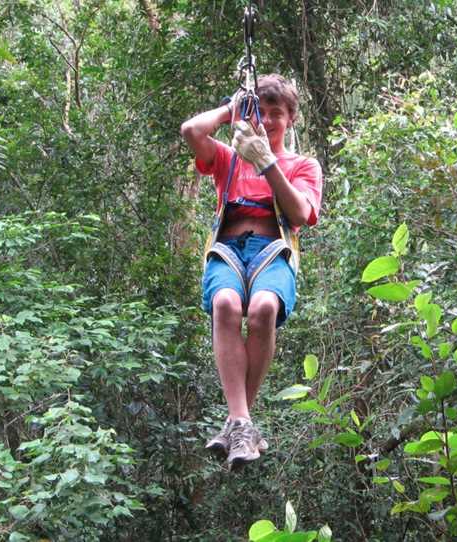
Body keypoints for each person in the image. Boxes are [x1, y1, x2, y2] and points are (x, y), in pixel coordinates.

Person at [180, 74, 323, 468]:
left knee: (262, 310)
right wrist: (231, 110)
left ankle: (240, 421)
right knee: (225, 304)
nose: (267, 119)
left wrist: (266, 161)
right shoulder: (229, 157)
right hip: (228, 246)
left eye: (276, 113)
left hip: (271, 249)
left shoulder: (303, 166)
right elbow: (191, 131)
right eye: (260, 110)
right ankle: (240, 422)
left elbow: (298, 213)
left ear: (290, 119)